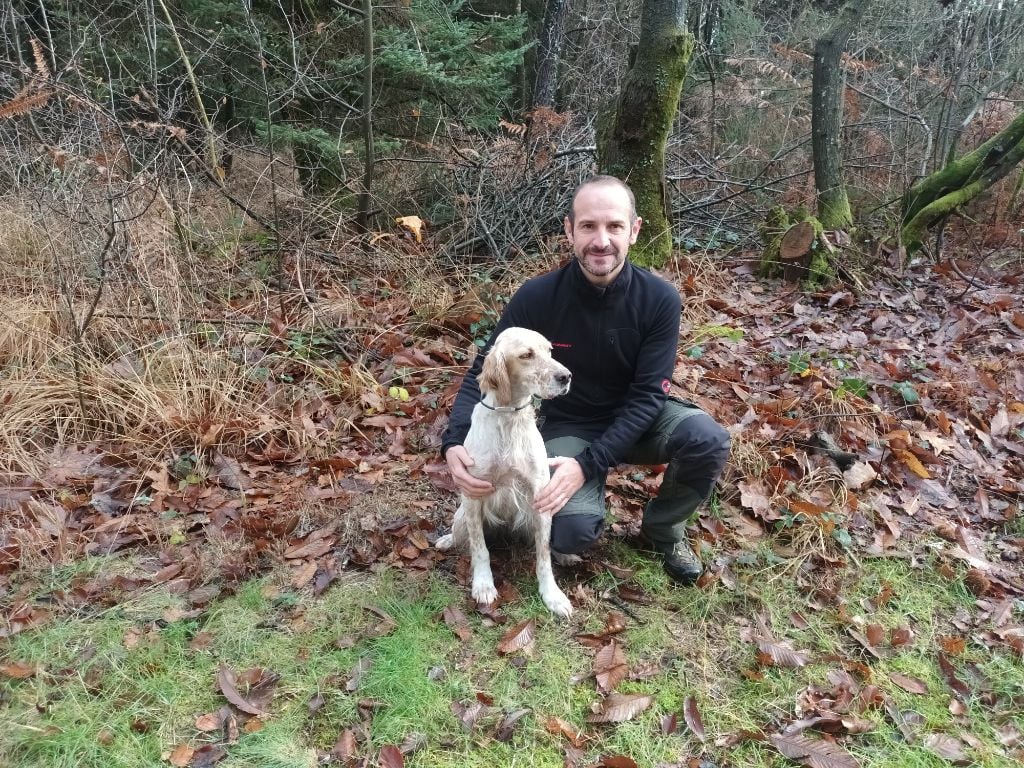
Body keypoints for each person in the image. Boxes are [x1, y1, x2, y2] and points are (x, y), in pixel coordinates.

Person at [441, 175, 730, 584]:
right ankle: (582, 508)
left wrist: (588, 465)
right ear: (569, 230)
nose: (601, 241)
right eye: (588, 226)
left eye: (614, 226)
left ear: (634, 230)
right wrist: (453, 443)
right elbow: (481, 374)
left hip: (639, 421)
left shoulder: (659, 299)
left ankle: (662, 532)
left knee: (707, 438)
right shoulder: (538, 297)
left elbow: (649, 395)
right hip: (569, 428)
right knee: (569, 534)